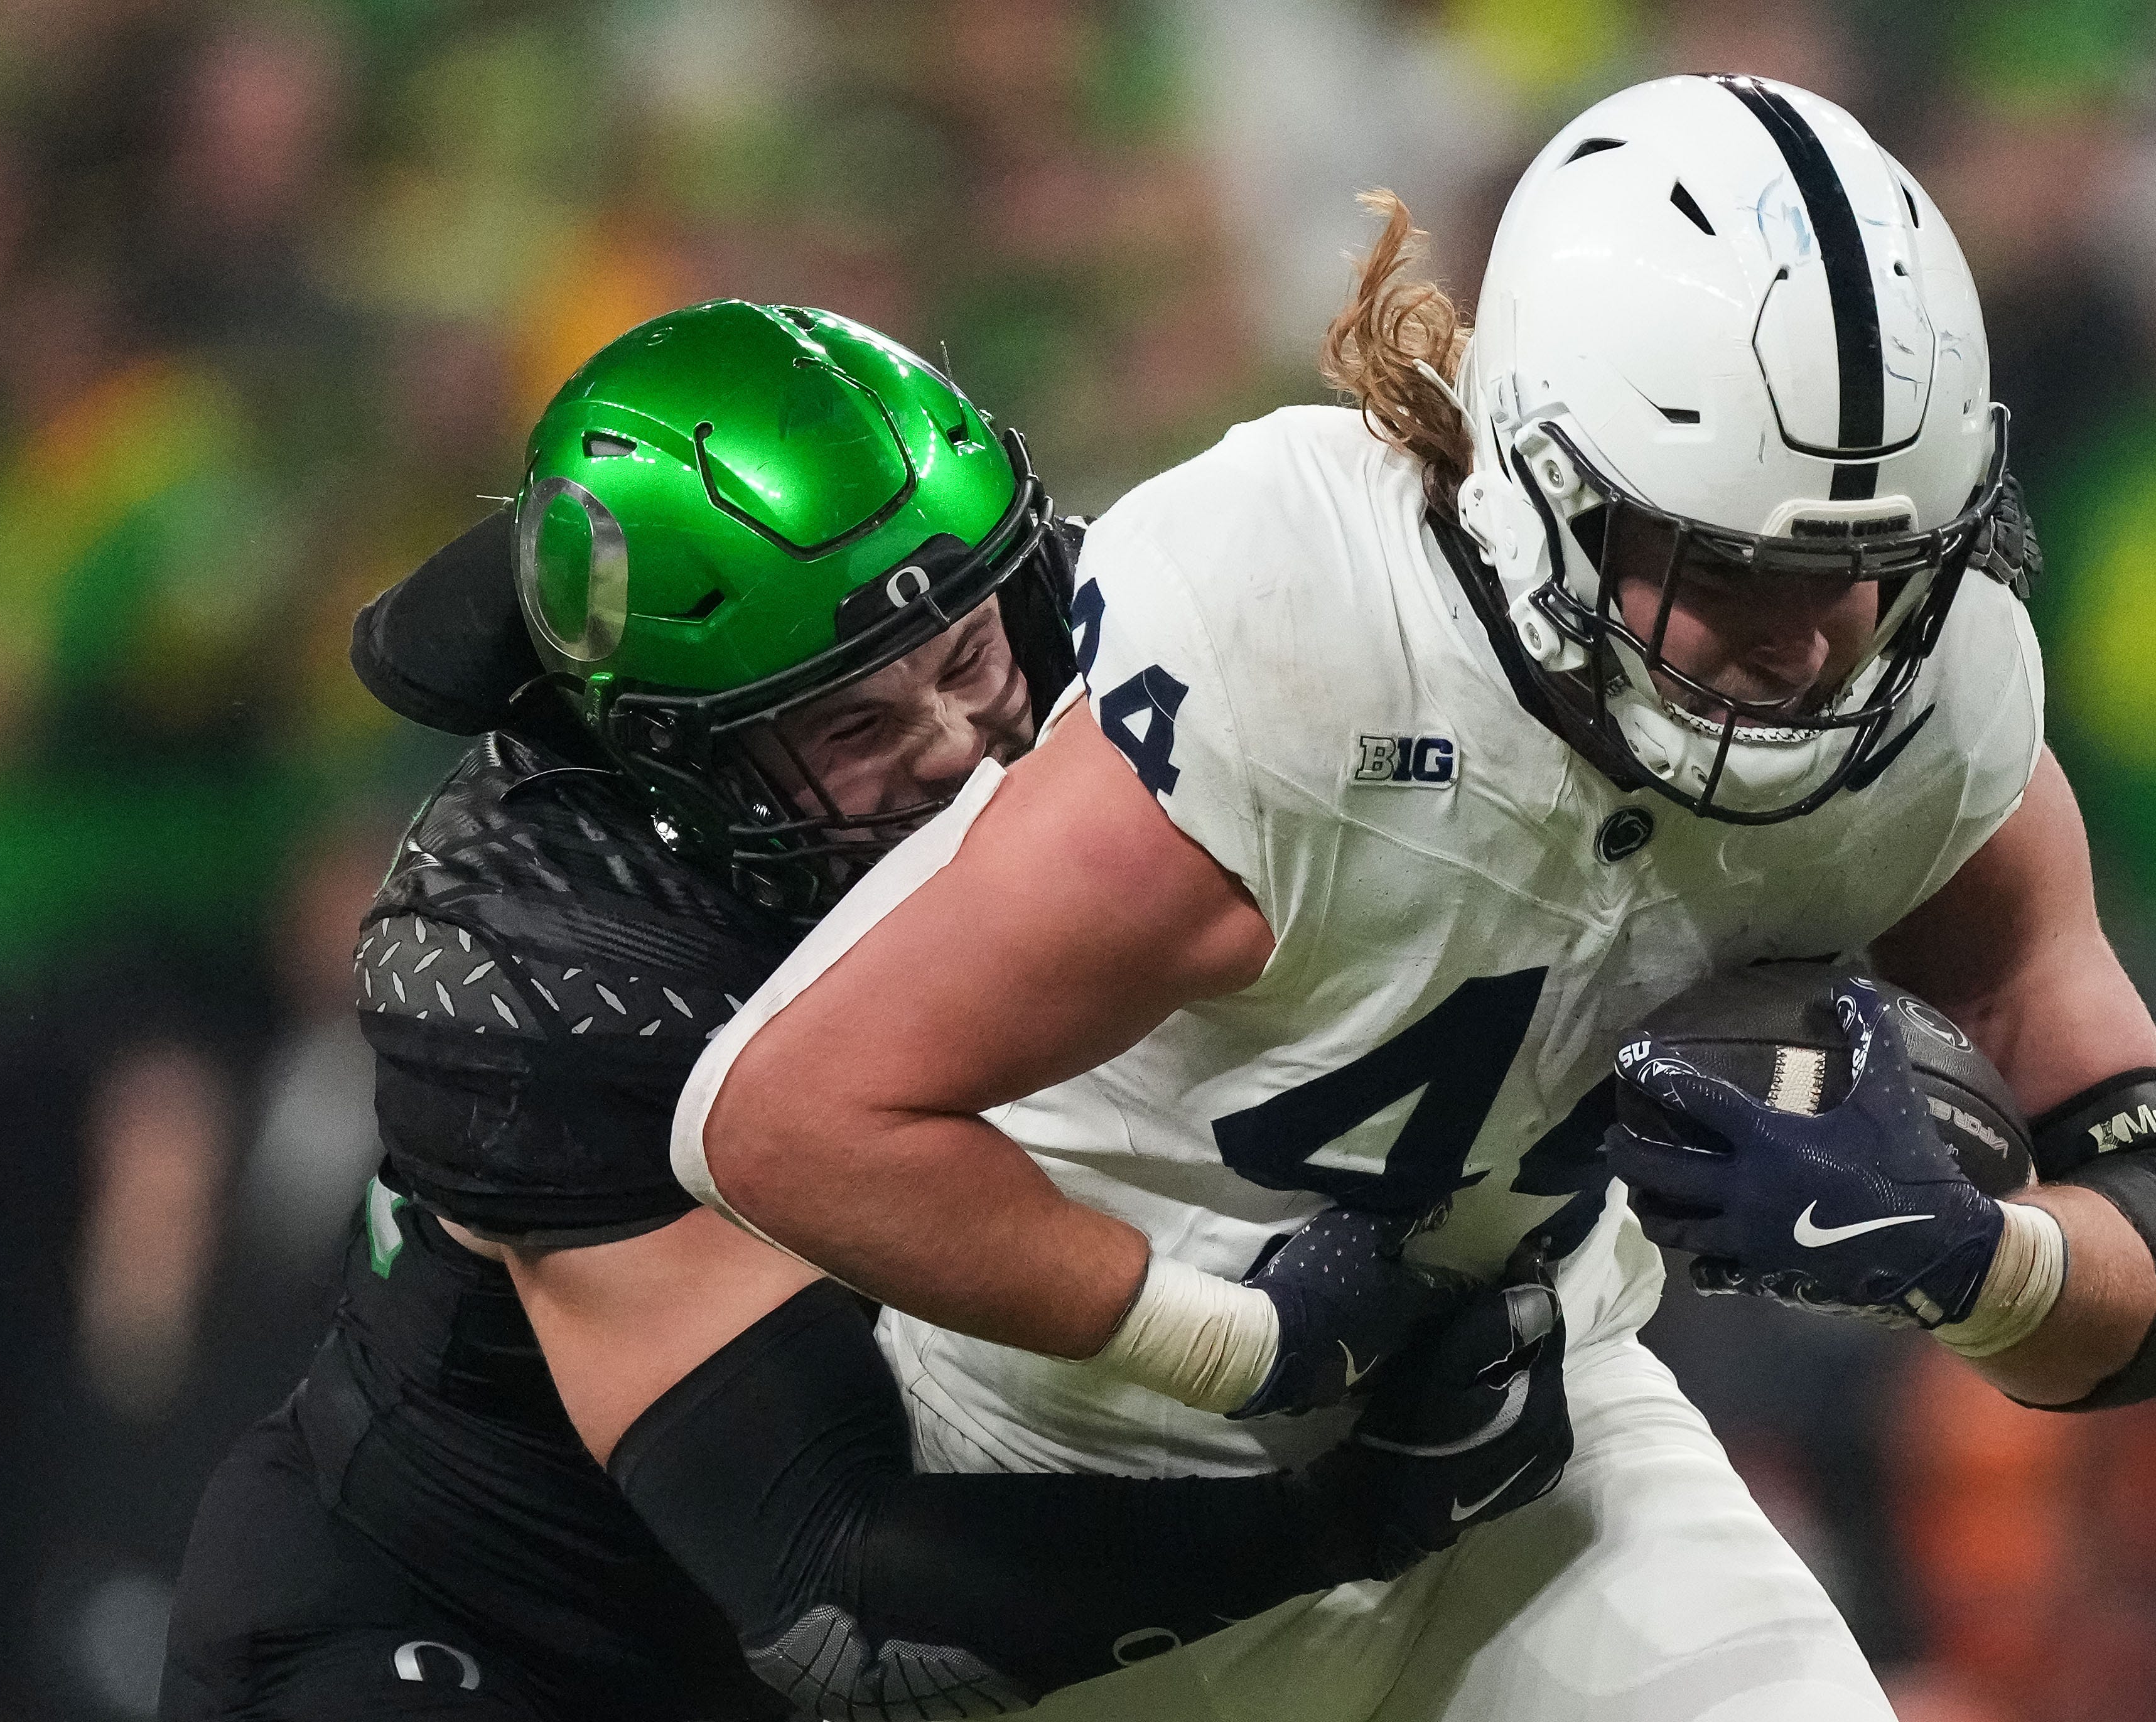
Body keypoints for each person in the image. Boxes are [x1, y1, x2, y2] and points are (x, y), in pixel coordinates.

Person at [672, 78, 2156, 1718]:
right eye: (1728, 570)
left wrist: (1964, 1256)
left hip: (1526, 1438)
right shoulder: (1309, 651)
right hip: (1078, 1476)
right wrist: (1227, 1343)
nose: (1802, 647)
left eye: (1859, 572)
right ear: (1539, 483)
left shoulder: (1930, 717)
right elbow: (788, 1124)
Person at [161, 299, 1574, 1722]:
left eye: (967, 662)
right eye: (854, 726)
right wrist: (1346, 1520)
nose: (967, 748)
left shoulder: (1084, 624)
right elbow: (839, 1607)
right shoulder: (555, 968)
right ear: (675, 754)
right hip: (492, 1638)